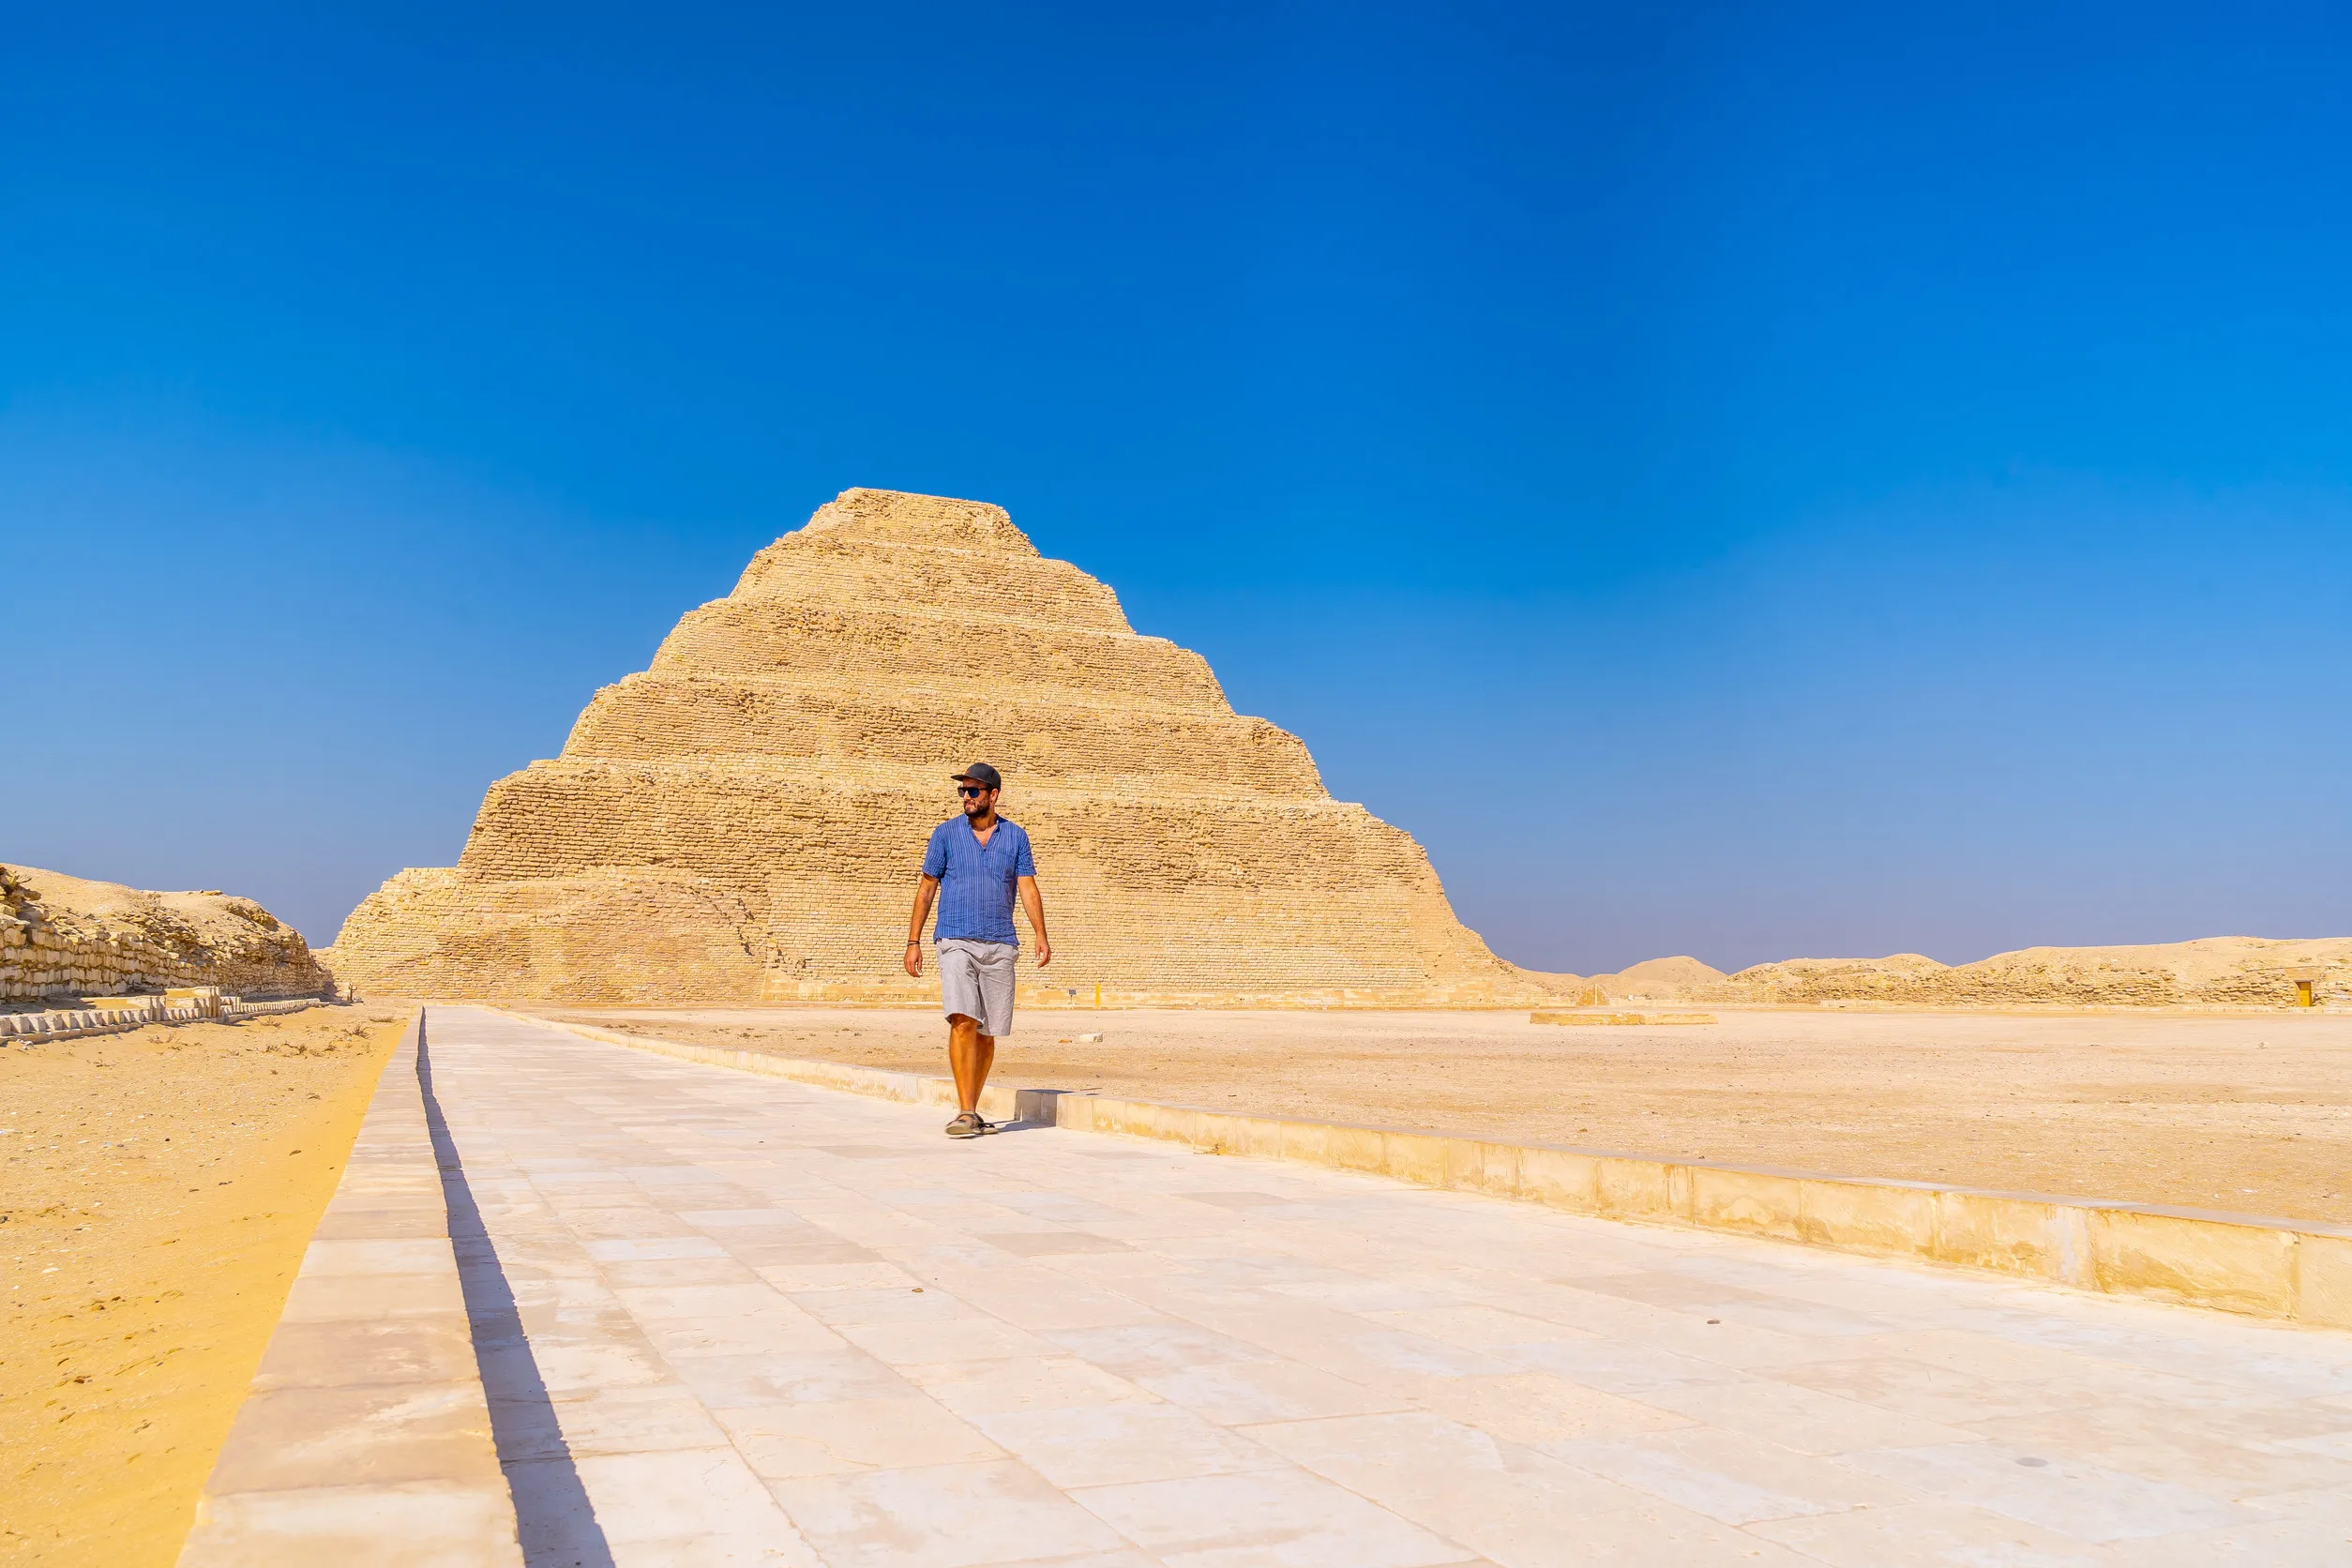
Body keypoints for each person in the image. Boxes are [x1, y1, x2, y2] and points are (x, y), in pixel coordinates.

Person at [904, 762, 1051, 1137]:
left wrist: (1041, 935)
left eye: (973, 792)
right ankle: (966, 1110)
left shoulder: (1016, 837)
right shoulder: (945, 834)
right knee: (962, 1019)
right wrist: (913, 941)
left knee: (987, 1033)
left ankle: (973, 1108)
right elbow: (926, 887)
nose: (966, 798)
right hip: (954, 938)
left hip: (1001, 941)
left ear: (993, 795)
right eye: (962, 792)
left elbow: (1028, 888)